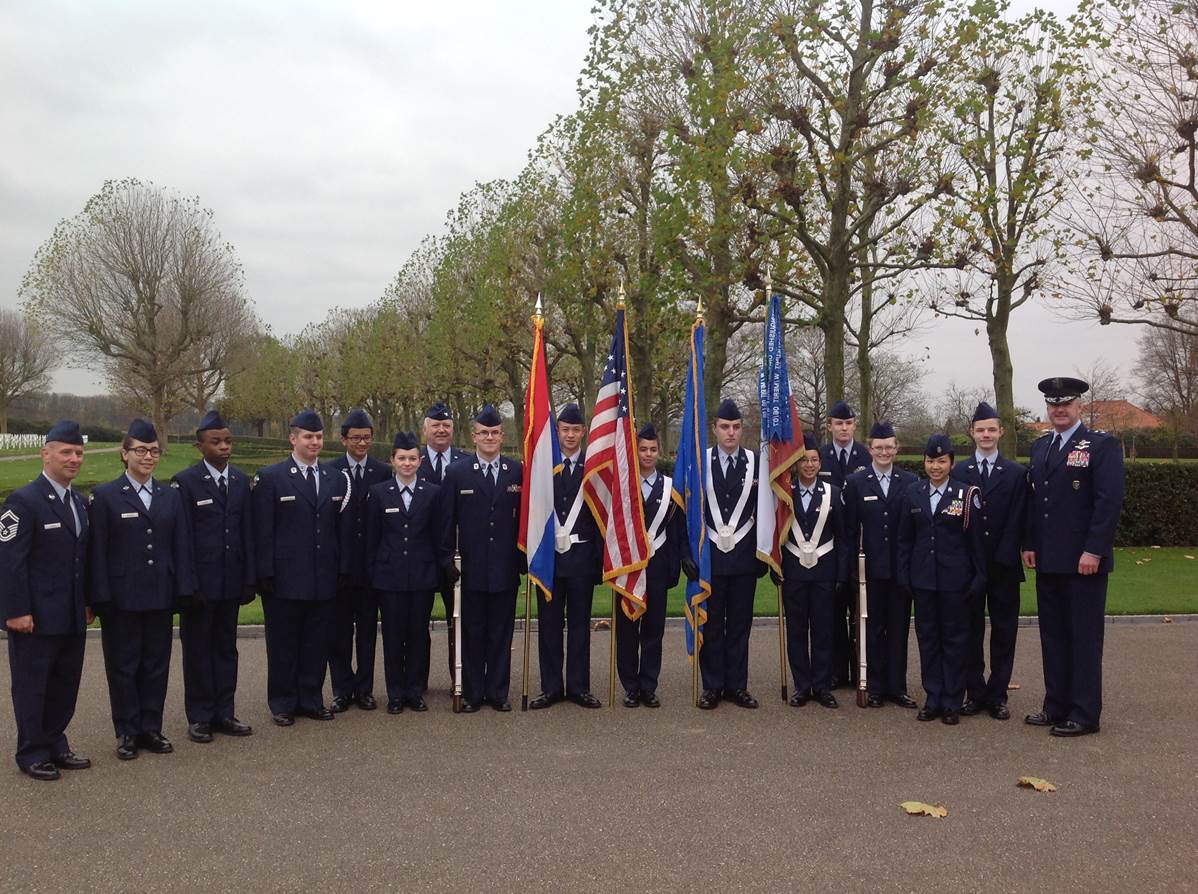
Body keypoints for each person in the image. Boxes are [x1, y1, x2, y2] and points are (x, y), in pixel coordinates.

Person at [1022, 376, 1125, 737]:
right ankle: (1056, 705)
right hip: (1049, 560)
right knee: (1053, 635)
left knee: (1083, 636)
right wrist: (1030, 543)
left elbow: (1108, 502)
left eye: (1065, 403)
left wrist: (1094, 549)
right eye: (1053, 404)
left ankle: (1084, 713)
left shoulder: (1101, 445)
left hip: (1084, 562)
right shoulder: (1041, 447)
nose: (1059, 410)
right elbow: (1038, 502)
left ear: (1080, 405)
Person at [89, 419, 197, 760]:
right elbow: (98, 553)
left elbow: (182, 545)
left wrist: (184, 589)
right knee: (123, 666)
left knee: (155, 665)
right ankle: (127, 731)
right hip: (121, 598)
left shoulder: (169, 496)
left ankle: (151, 727)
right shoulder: (105, 496)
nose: (148, 457)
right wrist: (100, 597)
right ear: (125, 455)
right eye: (140, 450)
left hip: (160, 595)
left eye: (153, 451)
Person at [0, 421, 92, 781]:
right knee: (32, 683)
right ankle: (31, 751)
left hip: (70, 613)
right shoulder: (23, 501)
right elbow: (9, 561)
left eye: (79, 453)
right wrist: (16, 610)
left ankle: (55, 742)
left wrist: (85, 602)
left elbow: (79, 561)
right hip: (34, 616)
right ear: (46, 453)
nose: (74, 459)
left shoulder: (80, 502)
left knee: (64, 683)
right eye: (66, 452)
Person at [252, 409, 351, 727]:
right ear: (293, 438)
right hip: (284, 577)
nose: (315, 442)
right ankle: (282, 702)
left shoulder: (335, 477)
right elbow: (263, 529)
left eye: (319, 436)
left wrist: (342, 567)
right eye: (308, 436)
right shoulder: (272, 477)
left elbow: (340, 529)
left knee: (315, 641)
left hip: (323, 575)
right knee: (282, 643)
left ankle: (310, 698)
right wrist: (264, 572)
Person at [170, 410, 256, 744]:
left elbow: (246, 532)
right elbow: (183, 539)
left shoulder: (239, 480)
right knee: (197, 650)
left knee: (225, 649)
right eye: (216, 442)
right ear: (200, 445)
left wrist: (249, 578)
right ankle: (200, 716)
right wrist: (187, 584)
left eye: (228, 441)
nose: (224, 447)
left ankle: (224, 711)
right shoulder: (185, 482)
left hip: (230, 582)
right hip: (200, 586)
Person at [897, 434, 986, 726]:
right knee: (928, 641)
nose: (935, 467)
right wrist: (905, 574)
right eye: (931, 461)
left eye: (941, 461)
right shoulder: (913, 493)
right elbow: (904, 540)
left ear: (951, 463)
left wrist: (978, 577)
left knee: (955, 641)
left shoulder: (967, 494)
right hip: (923, 581)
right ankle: (932, 697)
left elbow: (975, 542)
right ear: (925, 462)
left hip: (955, 582)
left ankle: (952, 701)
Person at [440, 405, 524, 712]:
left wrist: (524, 557)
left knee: (501, 634)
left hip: (505, 566)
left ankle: (498, 692)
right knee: (472, 633)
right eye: (483, 433)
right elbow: (447, 522)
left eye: (495, 433)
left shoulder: (517, 471)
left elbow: (524, 520)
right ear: (474, 436)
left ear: (502, 436)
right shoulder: (457, 472)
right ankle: (474, 692)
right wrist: (446, 558)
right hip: (470, 570)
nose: (489, 437)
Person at [365, 431, 453, 714]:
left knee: (417, 635)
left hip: (422, 576)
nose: (407, 463)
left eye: (412, 458)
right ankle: (395, 693)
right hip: (389, 578)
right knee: (392, 636)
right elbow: (372, 539)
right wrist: (373, 573)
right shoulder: (379, 493)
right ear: (392, 460)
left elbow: (440, 536)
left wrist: (443, 567)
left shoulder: (433, 493)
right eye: (401, 458)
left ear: (420, 460)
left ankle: (415, 691)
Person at [951, 402, 1027, 720]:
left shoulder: (1016, 473)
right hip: (969, 567)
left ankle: (997, 694)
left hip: (1003, 566)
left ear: (1001, 432)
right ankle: (975, 691)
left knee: (1004, 631)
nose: (986, 434)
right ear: (972, 432)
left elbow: (1019, 519)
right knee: (969, 631)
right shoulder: (958, 472)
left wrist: (1002, 557)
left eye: (991, 429)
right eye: (980, 429)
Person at [617, 423, 697, 707]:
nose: (648, 454)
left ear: (659, 451)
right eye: (643, 449)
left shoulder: (669, 488)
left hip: (658, 565)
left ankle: (648, 685)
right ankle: (630, 686)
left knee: (654, 629)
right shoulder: (623, 485)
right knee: (628, 629)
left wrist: (685, 556)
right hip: (629, 568)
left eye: (652, 449)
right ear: (635, 451)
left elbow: (678, 529)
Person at [530, 403, 602, 710]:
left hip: (582, 557)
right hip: (549, 559)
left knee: (579, 625)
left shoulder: (595, 467)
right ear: (557, 430)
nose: (570, 436)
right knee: (548, 625)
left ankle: (578, 687)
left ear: (584, 432)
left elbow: (602, 517)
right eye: (565, 429)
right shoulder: (542, 465)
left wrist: (601, 563)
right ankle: (551, 687)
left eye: (576, 430)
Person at [843, 421, 918, 709]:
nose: (884, 452)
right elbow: (850, 531)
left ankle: (897, 687)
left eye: (889, 447)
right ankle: (874, 686)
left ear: (896, 449)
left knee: (899, 630)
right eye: (879, 447)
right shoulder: (856, 482)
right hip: (869, 572)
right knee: (872, 630)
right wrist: (851, 569)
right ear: (869, 449)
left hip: (901, 571)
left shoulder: (910, 482)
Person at [777, 432, 851, 709]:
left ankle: (822, 685)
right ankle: (802, 685)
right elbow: (776, 534)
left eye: (814, 460)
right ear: (796, 463)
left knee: (823, 630)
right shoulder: (785, 494)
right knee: (796, 630)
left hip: (824, 572)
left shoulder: (834, 493)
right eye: (804, 460)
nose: (809, 465)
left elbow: (843, 538)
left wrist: (842, 574)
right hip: (794, 572)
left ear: (820, 463)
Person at [326, 408, 391, 713]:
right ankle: (342, 688)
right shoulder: (331, 471)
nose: (361, 443)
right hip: (340, 567)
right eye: (355, 438)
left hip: (371, 568)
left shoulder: (383, 471)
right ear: (343, 440)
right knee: (338, 632)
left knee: (367, 632)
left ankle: (364, 688)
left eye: (366, 438)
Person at [698, 398, 762, 710]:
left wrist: (765, 553)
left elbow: (765, 511)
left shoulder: (756, 462)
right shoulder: (700, 461)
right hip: (710, 556)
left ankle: (737, 686)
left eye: (736, 427)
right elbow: (690, 511)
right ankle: (712, 686)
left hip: (744, 558)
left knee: (739, 624)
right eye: (725, 427)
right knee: (710, 624)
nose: (731, 433)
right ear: (714, 429)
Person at [417, 400, 469, 690]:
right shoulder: (412, 461)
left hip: (455, 559)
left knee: (458, 624)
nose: (441, 430)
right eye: (435, 425)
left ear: (453, 429)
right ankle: (417, 685)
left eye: (445, 425)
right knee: (417, 626)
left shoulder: (465, 462)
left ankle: (458, 679)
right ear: (425, 429)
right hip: (422, 558)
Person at [818, 400, 870, 688]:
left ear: (854, 425)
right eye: (838, 423)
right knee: (833, 615)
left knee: (861, 614)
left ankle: (861, 670)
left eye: (848, 423)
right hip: (828, 547)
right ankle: (837, 672)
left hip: (861, 545)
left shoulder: (866, 455)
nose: (844, 428)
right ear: (830, 426)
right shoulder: (819, 457)